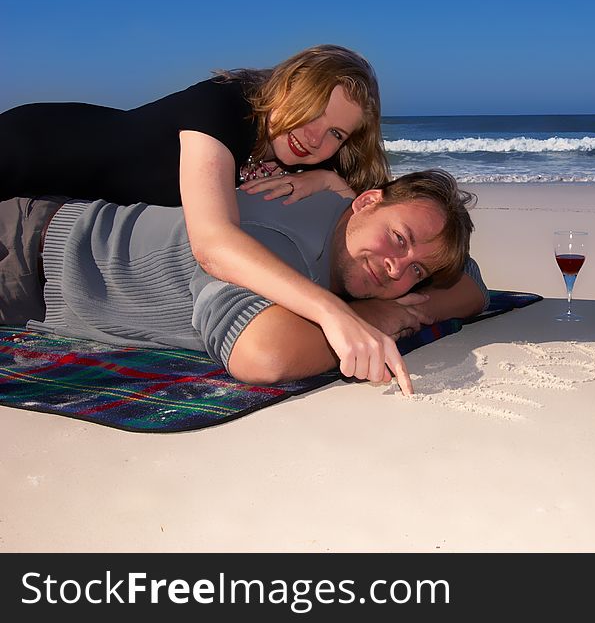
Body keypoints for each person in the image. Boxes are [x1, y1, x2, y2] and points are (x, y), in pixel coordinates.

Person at [0, 44, 487, 385]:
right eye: (399, 240)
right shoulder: (222, 113)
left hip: (64, 217)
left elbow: (468, 282)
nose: (318, 138)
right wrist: (350, 315)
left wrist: (392, 301)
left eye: (337, 135)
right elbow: (218, 253)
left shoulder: (309, 173)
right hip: (27, 165)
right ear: (289, 85)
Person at [0, 170, 484, 394]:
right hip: (27, 253)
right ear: (364, 202)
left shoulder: (348, 245)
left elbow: (472, 287)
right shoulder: (280, 236)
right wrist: (368, 317)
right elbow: (263, 355)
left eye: (417, 270)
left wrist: (407, 309)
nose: (397, 268)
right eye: (398, 238)